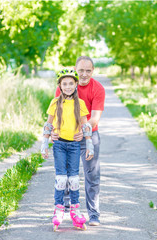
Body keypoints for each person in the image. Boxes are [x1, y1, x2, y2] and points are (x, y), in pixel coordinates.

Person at [52, 56, 105, 226]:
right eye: (81, 70)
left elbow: (94, 119)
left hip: (89, 134)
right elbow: (56, 114)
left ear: (92, 71)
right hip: (67, 137)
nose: (84, 74)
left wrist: (82, 131)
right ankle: (66, 208)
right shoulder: (65, 85)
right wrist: (54, 132)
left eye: (88, 71)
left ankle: (94, 214)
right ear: (75, 69)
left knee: (92, 175)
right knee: (67, 174)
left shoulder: (97, 88)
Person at [41, 68, 94, 231]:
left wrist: (89, 143)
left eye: (71, 83)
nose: (68, 86)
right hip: (59, 145)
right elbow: (49, 123)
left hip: (74, 145)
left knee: (74, 179)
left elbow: (85, 125)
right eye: (65, 84)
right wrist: (45, 142)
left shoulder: (81, 104)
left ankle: (75, 211)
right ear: (60, 86)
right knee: (61, 178)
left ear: (76, 85)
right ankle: (58, 209)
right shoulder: (55, 103)